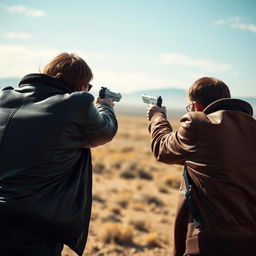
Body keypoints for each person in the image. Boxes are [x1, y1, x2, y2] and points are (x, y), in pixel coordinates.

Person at [0, 53, 118, 256]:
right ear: (80, 85)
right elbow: (105, 130)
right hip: (33, 226)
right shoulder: (75, 104)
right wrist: (105, 106)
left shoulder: (5, 97)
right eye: (87, 85)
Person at [146, 77, 256, 256]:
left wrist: (157, 116)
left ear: (196, 106)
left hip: (211, 242)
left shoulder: (198, 124)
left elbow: (163, 148)